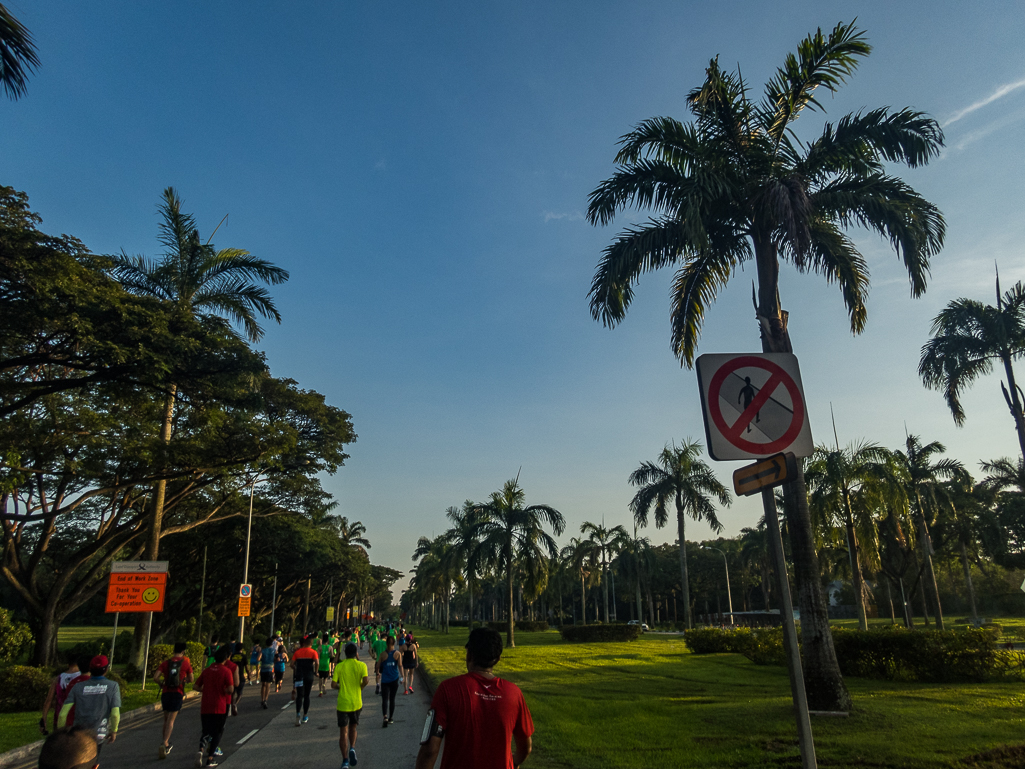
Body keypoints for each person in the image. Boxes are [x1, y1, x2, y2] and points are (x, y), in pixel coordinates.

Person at [415, 627, 533, 769]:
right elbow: (525, 748)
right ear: (498, 659)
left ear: (469, 655)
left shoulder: (447, 690)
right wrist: (513, 762)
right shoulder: (514, 694)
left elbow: (430, 750)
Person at [58, 656, 120, 750]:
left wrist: (61, 733)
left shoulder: (77, 687)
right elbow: (115, 714)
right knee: (92, 762)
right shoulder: (113, 686)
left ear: (90, 669)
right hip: (99, 733)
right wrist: (114, 730)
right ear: (106, 669)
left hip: (79, 733)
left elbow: (62, 714)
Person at [193, 646, 234, 768]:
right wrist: (223, 690)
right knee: (217, 732)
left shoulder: (206, 671)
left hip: (205, 705)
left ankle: (200, 749)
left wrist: (205, 690)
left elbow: (195, 686)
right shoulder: (226, 671)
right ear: (226, 658)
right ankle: (210, 758)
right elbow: (231, 689)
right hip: (219, 706)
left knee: (206, 730)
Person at [154, 642, 195, 759]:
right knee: (171, 720)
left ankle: (164, 741)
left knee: (166, 719)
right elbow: (191, 679)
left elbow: (155, 677)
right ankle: (165, 743)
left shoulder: (166, 663)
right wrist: (184, 680)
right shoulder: (186, 663)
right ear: (183, 652)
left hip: (166, 693)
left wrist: (161, 684)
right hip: (177, 693)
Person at [331, 642, 368, 769]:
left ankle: (345, 760)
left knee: (343, 732)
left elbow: (333, 684)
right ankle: (352, 747)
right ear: (356, 653)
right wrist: (360, 687)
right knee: (353, 728)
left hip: (343, 703)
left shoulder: (339, 667)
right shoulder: (362, 665)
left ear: (345, 653)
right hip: (356, 702)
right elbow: (366, 680)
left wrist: (340, 687)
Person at [40, 654, 82, 735]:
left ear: (68, 664)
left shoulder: (58, 678)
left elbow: (48, 701)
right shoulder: (82, 677)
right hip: (76, 717)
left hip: (59, 717)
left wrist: (43, 720)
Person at [290, 634, 319, 726]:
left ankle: (298, 714)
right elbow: (317, 663)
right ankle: (305, 715)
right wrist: (316, 671)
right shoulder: (313, 652)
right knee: (307, 695)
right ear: (311, 644)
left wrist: (296, 668)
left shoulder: (297, 652)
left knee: (299, 695)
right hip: (309, 676)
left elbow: (291, 664)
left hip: (299, 676)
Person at [375, 636, 403, 728]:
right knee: (392, 699)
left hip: (385, 680)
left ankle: (385, 717)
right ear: (394, 643)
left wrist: (378, 673)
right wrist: (402, 677)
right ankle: (391, 718)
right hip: (394, 679)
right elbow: (400, 666)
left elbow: (378, 665)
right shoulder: (397, 654)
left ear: (386, 643)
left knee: (384, 699)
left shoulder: (382, 654)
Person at [228, 643, 247, 715]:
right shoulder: (244, 656)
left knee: (232, 693)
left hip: (232, 676)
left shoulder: (232, 656)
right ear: (241, 649)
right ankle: (235, 704)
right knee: (240, 694)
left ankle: (231, 705)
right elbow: (246, 667)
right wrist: (248, 675)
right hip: (241, 677)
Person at [259, 636, 275, 708]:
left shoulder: (263, 651)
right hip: (269, 669)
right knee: (268, 685)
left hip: (263, 669)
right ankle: (266, 699)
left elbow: (258, 659)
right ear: (272, 643)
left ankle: (262, 699)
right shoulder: (274, 650)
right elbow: (277, 658)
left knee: (263, 685)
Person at [317, 632, 333, 697]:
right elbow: (332, 655)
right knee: (326, 677)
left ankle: (320, 691)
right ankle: (324, 684)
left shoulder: (320, 647)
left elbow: (318, 656)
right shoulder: (330, 647)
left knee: (320, 677)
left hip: (321, 663)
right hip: (327, 663)